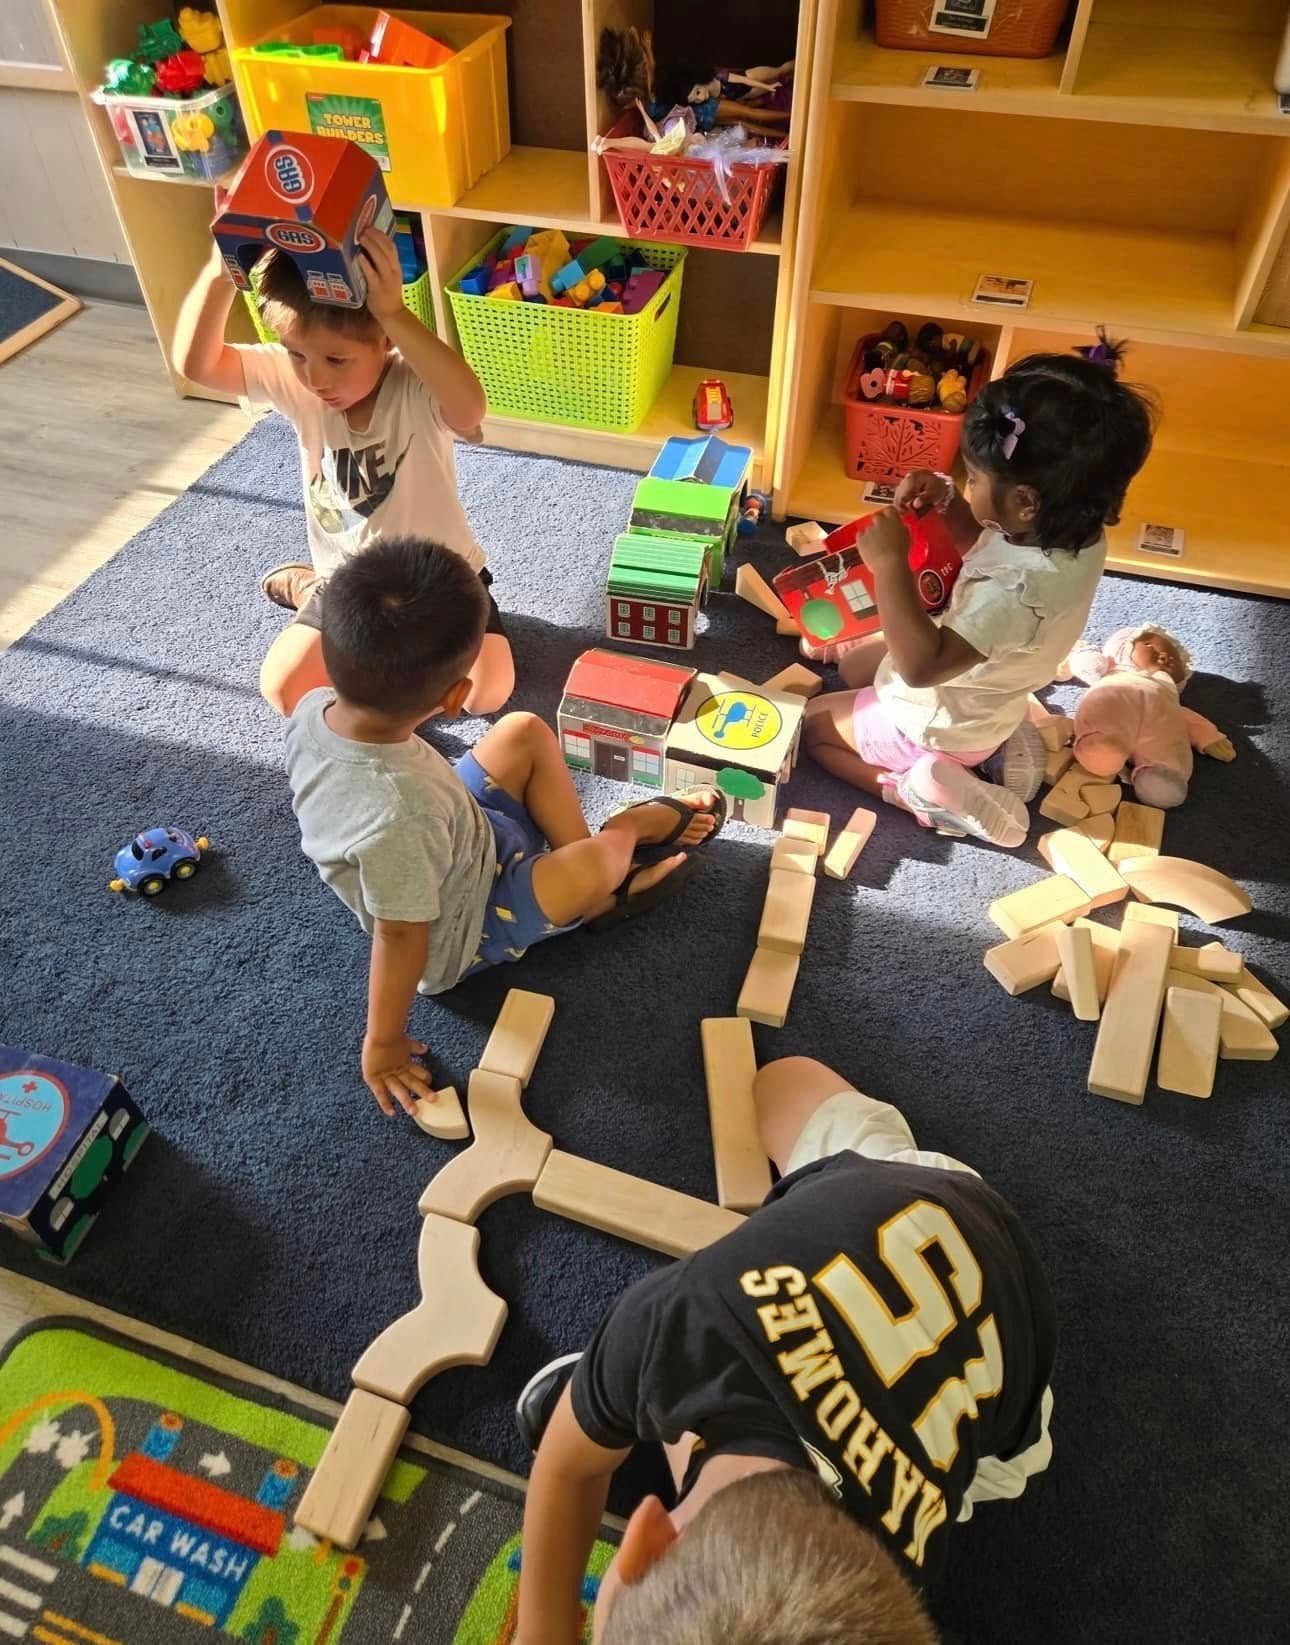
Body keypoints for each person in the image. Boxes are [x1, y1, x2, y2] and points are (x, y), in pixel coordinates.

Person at [513, 1055, 1056, 1643]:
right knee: (780, 1083)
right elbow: (564, 1468)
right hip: (942, 1227)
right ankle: (615, 1408)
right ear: (642, 1542)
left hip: (993, 1327)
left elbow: (568, 1467)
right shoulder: (675, 1328)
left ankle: (617, 1411)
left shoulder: (906, 1567)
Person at [284, 536, 721, 1114]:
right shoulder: (395, 817)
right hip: (467, 923)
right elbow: (400, 934)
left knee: (523, 730)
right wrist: (384, 1041)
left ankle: (591, 885)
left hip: (459, 832)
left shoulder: (314, 704)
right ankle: (623, 842)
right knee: (593, 862)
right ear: (456, 697)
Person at [803, 338, 1156, 847]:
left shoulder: (1008, 594)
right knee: (856, 666)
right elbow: (986, 541)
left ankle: (913, 790)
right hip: (989, 694)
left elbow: (921, 670)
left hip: (936, 718)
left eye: (974, 479)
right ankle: (989, 748)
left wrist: (888, 565)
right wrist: (946, 500)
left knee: (813, 728)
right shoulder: (1073, 531)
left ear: (1026, 502)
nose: (967, 486)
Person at [174, 227, 513, 718]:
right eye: (297, 354)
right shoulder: (297, 383)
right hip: (349, 582)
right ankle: (313, 587)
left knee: (487, 694)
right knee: (285, 691)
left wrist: (393, 312)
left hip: (442, 581)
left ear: (384, 343)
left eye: (337, 360)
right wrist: (217, 271)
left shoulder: (413, 383)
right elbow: (197, 365)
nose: (316, 378)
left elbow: (469, 405)